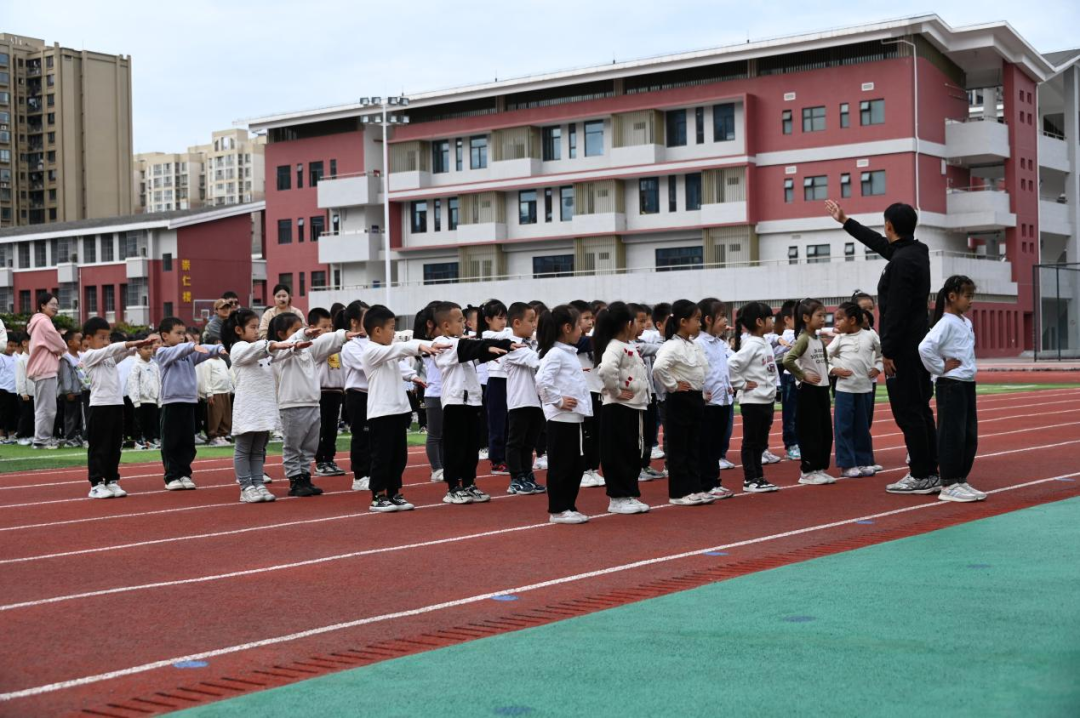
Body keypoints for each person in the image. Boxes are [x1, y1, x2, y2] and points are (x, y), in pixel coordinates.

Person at [826, 199, 939, 495]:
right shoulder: (916, 252)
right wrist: (846, 221)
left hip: (903, 350)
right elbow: (880, 244)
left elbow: (897, 312)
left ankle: (922, 474)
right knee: (920, 409)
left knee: (908, 412)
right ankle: (930, 469)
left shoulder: (901, 263)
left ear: (889, 225)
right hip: (917, 345)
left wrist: (887, 351)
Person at [432, 302, 515, 505]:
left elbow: (478, 354)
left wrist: (504, 347)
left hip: (473, 401)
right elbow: (469, 347)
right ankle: (453, 487)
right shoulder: (441, 343)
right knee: (455, 446)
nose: (463, 324)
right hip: (455, 402)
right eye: (459, 320)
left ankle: (469, 483)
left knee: (471, 447)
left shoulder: (463, 345)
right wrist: (486, 346)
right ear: (446, 325)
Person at [361, 305, 439, 512]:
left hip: (398, 410)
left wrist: (413, 376)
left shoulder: (386, 351)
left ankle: (394, 492)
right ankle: (378, 495)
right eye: (391, 328)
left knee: (398, 457)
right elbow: (396, 350)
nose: (394, 333)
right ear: (377, 330)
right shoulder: (371, 351)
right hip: (381, 413)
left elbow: (398, 363)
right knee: (382, 455)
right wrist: (420, 346)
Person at [269, 312, 354, 497]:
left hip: (313, 404)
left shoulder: (308, 351)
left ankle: (305, 476)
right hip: (292, 405)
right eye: (295, 330)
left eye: (302, 328)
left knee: (309, 445)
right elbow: (286, 347)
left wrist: (342, 335)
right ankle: (295, 479)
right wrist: (302, 334)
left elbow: (324, 342)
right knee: (293, 445)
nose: (302, 332)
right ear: (282, 334)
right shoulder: (279, 353)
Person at [919, 275, 985, 503]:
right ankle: (948, 483)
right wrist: (940, 368)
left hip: (966, 382)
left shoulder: (965, 322)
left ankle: (960, 479)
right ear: (952, 296)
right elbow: (925, 347)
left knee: (968, 434)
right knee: (951, 434)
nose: (971, 301)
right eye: (967, 296)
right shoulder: (945, 323)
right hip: (951, 384)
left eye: (972, 296)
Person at [224, 308, 298, 503]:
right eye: (253, 327)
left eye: (258, 327)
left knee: (258, 450)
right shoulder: (239, 348)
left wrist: (296, 344)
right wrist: (271, 344)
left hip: (264, 407)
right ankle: (245, 487)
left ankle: (258, 483)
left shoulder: (260, 349)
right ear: (239, 330)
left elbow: (278, 353)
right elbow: (260, 349)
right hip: (248, 407)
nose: (257, 331)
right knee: (243, 449)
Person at [81, 318, 158, 499]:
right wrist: (131, 343)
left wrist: (141, 344)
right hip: (100, 407)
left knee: (115, 446)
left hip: (116, 405)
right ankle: (96, 484)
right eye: (102, 338)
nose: (106, 342)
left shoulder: (108, 358)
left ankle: (111, 480)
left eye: (108, 338)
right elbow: (112, 349)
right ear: (88, 339)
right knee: (99, 446)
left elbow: (123, 353)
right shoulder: (89, 356)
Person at [653, 299, 715, 507]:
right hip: (679, 400)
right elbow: (658, 368)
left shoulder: (693, 345)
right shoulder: (671, 346)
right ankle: (679, 492)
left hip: (695, 398)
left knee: (693, 446)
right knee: (679, 447)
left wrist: (702, 394)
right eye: (696, 319)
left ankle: (695, 488)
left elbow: (699, 371)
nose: (699, 324)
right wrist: (673, 385)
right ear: (683, 322)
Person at [156, 316, 227, 490]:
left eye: (184, 333)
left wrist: (219, 348)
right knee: (171, 441)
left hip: (189, 402)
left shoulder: (189, 354)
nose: (182, 337)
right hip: (171, 403)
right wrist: (191, 345)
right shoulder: (162, 352)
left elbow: (205, 350)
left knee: (187, 442)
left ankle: (184, 473)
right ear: (165, 336)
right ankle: (172, 476)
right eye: (178, 333)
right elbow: (182, 350)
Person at [536, 304, 592, 524]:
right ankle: (558, 509)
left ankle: (569, 505)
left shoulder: (568, 352)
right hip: (561, 418)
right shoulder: (556, 353)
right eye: (579, 325)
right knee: (562, 464)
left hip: (575, 417)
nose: (582, 330)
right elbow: (542, 380)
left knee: (576, 464)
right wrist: (558, 401)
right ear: (567, 328)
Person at [594, 301, 651, 514]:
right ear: (628, 324)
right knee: (618, 452)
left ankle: (628, 493)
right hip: (618, 407)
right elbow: (606, 369)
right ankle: (618, 497)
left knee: (631, 451)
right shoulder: (615, 347)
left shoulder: (627, 345)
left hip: (633, 406)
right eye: (636, 321)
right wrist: (616, 391)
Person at [782, 298, 836, 485]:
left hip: (822, 390)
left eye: (824, 316)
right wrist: (803, 375)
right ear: (806, 318)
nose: (823, 319)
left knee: (824, 431)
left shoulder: (818, 340)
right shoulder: (804, 339)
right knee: (810, 430)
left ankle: (819, 467)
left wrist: (827, 379)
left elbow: (824, 362)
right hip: (808, 391)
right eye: (819, 316)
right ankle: (807, 470)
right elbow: (787, 360)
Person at [729, 302, 780, 493]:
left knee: (760, 443)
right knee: (751, 442)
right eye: (770, 318)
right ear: (759, 321)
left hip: (766, 400)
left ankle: (759, 476)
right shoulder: (751, 344)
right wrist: (741, 384)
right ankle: (750, 479)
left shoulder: (764, 342)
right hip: (753, 401)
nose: (772, 322)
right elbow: (731, 364)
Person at [828, 301, 882, 479]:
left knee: (862, 428)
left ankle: (863, 461)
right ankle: (847, 464)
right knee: (844, 427)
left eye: (839, 319)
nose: (836, 323)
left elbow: (881, 355)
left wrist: (878, 367)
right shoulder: (839, 339)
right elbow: (824, 357)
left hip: (865, 389)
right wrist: (833, 370)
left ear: (852, 320)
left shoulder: (870, 336)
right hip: (844, 390)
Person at [502, 302, 547, 496]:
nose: (534, 325)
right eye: (531, 320)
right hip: (520, 401)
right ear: (517, 323)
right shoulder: (512, 345)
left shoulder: (533, 344)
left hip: (535, 400)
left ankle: (527, 476)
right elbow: (536, 361)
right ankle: (516, 479)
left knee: (529, 442)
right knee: (516, 442)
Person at [695, 297, 736, 500]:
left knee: (717, 444)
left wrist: (730, 385)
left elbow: (722, 368)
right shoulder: (699, 343)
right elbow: (698, 370)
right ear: (708, 319)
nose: (725, 321)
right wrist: (701, 392)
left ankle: (714, 481)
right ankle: (707, 484)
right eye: (721, 317)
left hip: (723, 399)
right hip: (709, 402)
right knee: (707, 445)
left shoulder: (720, 343)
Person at [569, 300, 604, 489]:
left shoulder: (591, 340)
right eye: (586, 318)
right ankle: (583, 470)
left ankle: (592, 468)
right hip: (583, 392)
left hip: (597, 390)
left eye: (592, 318)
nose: (590, 322)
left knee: (597, 433)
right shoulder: (573, 342)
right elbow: (587, 343)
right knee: (586, 433)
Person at [309, 307, 347, 477]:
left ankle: (329, 459)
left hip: (336, 391)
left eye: (330, 326)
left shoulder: (335, 346)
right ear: (312, 328)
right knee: (321, 428)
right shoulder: (316, 346)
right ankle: (320, 461)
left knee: (332, 428)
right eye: (324, 327)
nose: (328, 330)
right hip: (321, 391)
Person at [629, 303, 665, 481]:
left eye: (645, 321)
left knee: (650, 432)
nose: (644, 325)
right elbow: (653, 349)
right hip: (635, 396)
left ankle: (645, 463)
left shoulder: (643, 343)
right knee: (638, 433)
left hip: (649, 393)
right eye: (640, 321)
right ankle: (636, 467)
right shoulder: (629, 345)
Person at [27, 293, 67, 450]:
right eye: (53, 304)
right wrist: (61, 348)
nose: (56, 307)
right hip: (45, 369)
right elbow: (60, 344)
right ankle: (41, 440)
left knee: (44, 407)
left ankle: (42, 439)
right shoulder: (44, 321)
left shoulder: (39, 321)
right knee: (47, 408)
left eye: (57, 305)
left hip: (42, 369)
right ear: (42, 305)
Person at [340, 301, 373, 492]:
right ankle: (360, 476)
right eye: (366, 318)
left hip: (375, 394)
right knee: (361, 435)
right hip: (358, 395)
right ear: (354, 322)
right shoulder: (350, 346)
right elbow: (365, 364)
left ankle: (372, 472)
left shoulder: (372, 342)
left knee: (375, 436)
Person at [413, 302, 446, 484]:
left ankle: (443, 467)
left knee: (445, 435)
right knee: (434, 435)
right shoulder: (426, 344)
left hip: (446, 393)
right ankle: (436, 468)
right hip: (434, 394)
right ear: (430, 324)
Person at [480, 300, 512, 476]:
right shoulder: (487, 336)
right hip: (496, 381)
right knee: (497, 423)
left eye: (505, 318)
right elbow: (505, 338)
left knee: (509, 422)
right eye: (499, 318)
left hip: (511, 382)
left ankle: (507, 457)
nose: (503, 322)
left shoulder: (508, 334)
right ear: (488, 319)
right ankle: (496, 460)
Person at [775, 300, 800, 461]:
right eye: (798, 316)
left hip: (802, 377)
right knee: (790, 413)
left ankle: (798, 442)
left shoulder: (800, 334)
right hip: (790, 377)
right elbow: (776, 352)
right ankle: (791, 444)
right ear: (787, 319)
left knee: (800, 414)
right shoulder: (787, 336)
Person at [127, 338, 162, 450]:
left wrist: (159, 399)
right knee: (139, 422)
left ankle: (149, 440)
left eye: (150, 348)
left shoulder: (155, 366)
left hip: (152, 399)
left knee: (151, 422)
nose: (149, 351)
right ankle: (138, 440)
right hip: (141, 400)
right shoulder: (136, 365)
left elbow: (159, 382)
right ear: (138, 350)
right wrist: (135, 400)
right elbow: (133, 383)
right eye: (146, 348)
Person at [57, 329, 87, 447]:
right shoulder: (66, 358)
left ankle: (77, 435)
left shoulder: (81, 356)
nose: (82, 342)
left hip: (81, 391)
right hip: (71, 392)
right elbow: (65, 376)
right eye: (79, 340)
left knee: (80, 415)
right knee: (71, 415)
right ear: (70, 342)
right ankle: (69, 437)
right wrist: (68, 391)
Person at [197, 351, 234, 446]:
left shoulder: (222, 361)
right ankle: (214, 436)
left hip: (225, 391)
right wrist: (209, 393)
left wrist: (230, 389)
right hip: (215, 392)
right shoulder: (208, 362)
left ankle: (222, 435)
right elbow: (207, 379)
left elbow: (228, 376)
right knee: (215, 415)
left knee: (225, 415)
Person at [14, 332, 36, 445]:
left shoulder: (34, 358)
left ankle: (31, 435)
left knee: (32, 415)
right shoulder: (21, 360)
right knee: (25, 416)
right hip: (25, 394)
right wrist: (23, 393)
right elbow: (20, 378)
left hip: (34, 393)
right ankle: (21, 436)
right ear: (24, 343)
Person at [0, 336, 16, 444]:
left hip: (14, 389)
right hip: (3, 388)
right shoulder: (1, 357)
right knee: (2, 413)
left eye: (15, 346)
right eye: (10, 345)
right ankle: (1, 435)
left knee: (12, 413)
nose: (12, 348)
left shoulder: (16, 357)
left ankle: (11, 434)